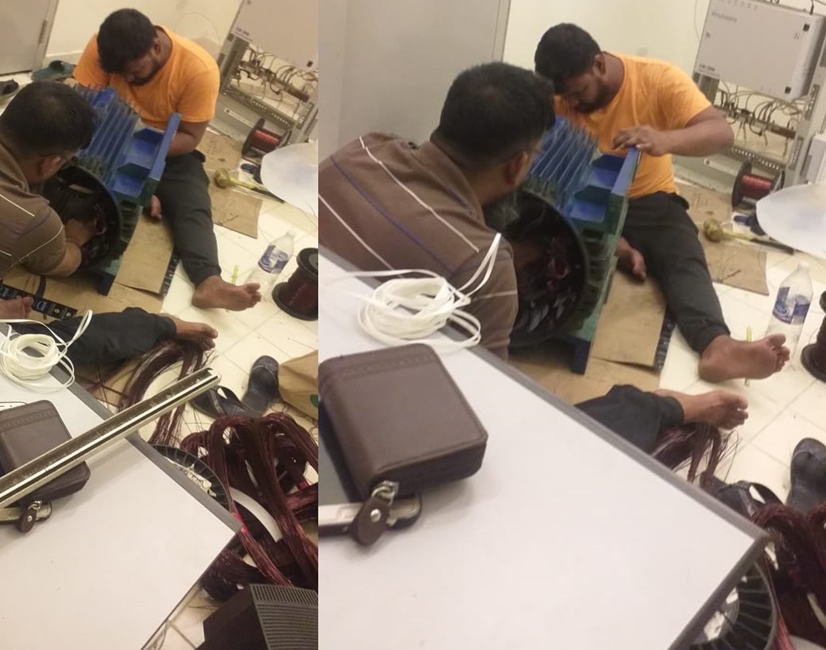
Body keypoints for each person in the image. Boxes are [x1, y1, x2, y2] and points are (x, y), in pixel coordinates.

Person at [319, 61, 748, 449]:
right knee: (591, 421)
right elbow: (482, 408)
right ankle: (661, 407)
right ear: (517, 167)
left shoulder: (359, 151)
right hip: (380, 421)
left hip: (324, 342)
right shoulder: (483, 264)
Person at [0, 80, 217, 364]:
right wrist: (75, 237)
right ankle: (159, 326)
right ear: (50, 163)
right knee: (59, 342)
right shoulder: (33, 219)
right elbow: (66, 264)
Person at [534, 24, 790, 383]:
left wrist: (663, 139)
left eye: (578, 93)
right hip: (573, 196)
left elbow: (720, 133)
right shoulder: (556, 95)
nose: (572, 104)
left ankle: (717, 346)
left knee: (681, 253)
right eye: (565, 97)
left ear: (598, 64)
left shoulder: (657, 79)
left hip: (645, 197)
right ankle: (617, 248)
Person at [72, 8, 261, 312]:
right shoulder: (103, 47)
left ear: (156, 46)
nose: (127, 79)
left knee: (192, 201)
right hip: (103, 133)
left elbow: (190, 137)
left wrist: (143, 169)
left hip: (166, 147)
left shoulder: (198, 70)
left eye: (135, 72)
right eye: (120, 74)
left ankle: (209, 282)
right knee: (53, 156)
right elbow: (83, 104)